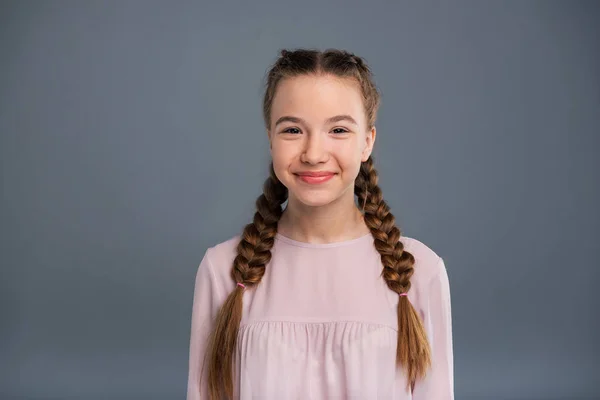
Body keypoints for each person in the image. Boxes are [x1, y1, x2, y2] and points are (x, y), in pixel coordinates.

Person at [186, 48, 454, 400]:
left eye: (338, 129)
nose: (313, 153)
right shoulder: (223, 270)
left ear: (367, 142)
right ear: (270, 138)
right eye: (293, 129)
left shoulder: (421, 272)